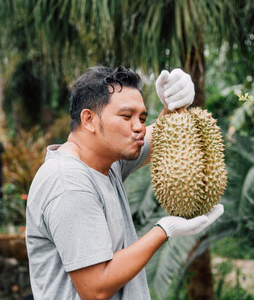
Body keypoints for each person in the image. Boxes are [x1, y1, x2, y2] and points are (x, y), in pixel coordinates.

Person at [25, 66, 224, 300]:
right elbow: (95, 288)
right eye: (126, 116)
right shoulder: (69, 184)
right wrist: (163, 230)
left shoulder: (107, 163)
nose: (139, 126)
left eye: (142, 118)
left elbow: (164, 134)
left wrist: (176, 100)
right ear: (88, 119)